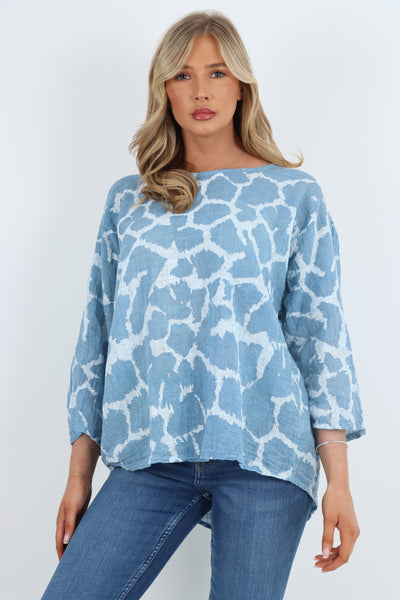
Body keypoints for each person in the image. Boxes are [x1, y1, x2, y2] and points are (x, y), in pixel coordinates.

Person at [41, 10, 366, 600]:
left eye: (217, 73)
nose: (201, 91)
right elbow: (98, 338)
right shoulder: (130, 200)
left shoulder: (292, 195)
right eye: (183, 75)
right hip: (149, 453)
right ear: (163, 89)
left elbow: (320, 339)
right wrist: (78, 475)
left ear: (241, 85)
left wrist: (338, 483)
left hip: (264, 453)